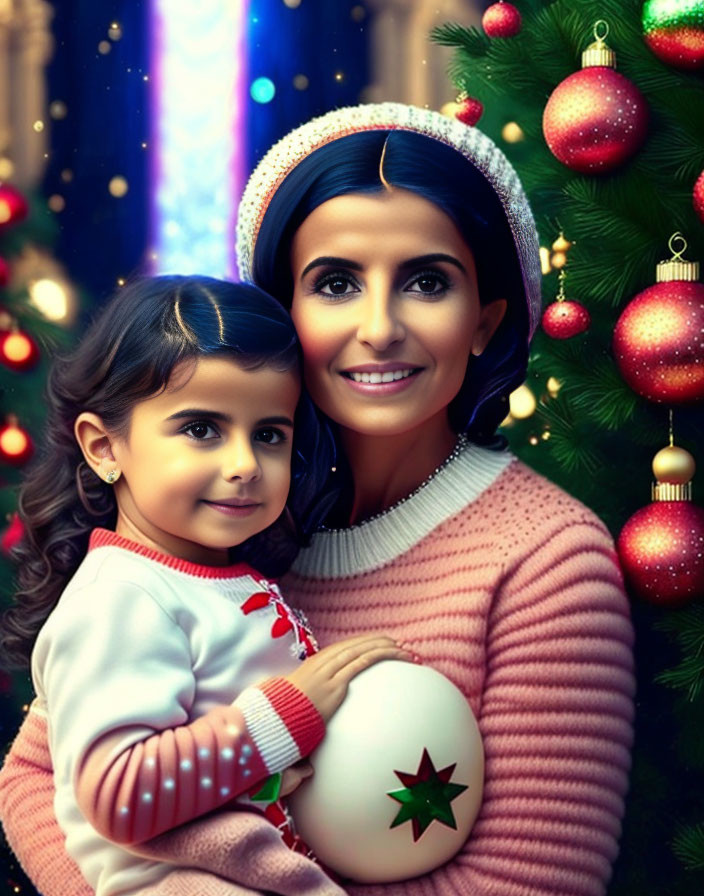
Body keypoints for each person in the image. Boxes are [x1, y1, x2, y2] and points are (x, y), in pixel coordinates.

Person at [0, 104, 635, 896]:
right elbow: (39, 773)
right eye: (334, 283)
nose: (379, 328)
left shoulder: (547, 560)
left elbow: (532, 882)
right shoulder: (223, 520)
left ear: (485, 320)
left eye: (427, 282)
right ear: (281, 310)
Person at [0, 274, 409, 896]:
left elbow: (197, 768)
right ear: (104, 446)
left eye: (268, 434)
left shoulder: (202, 579)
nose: (244, 464)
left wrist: (266, 775)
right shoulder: (120, 600)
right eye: (201, 429)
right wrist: (283, 715)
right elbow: (120, 794)